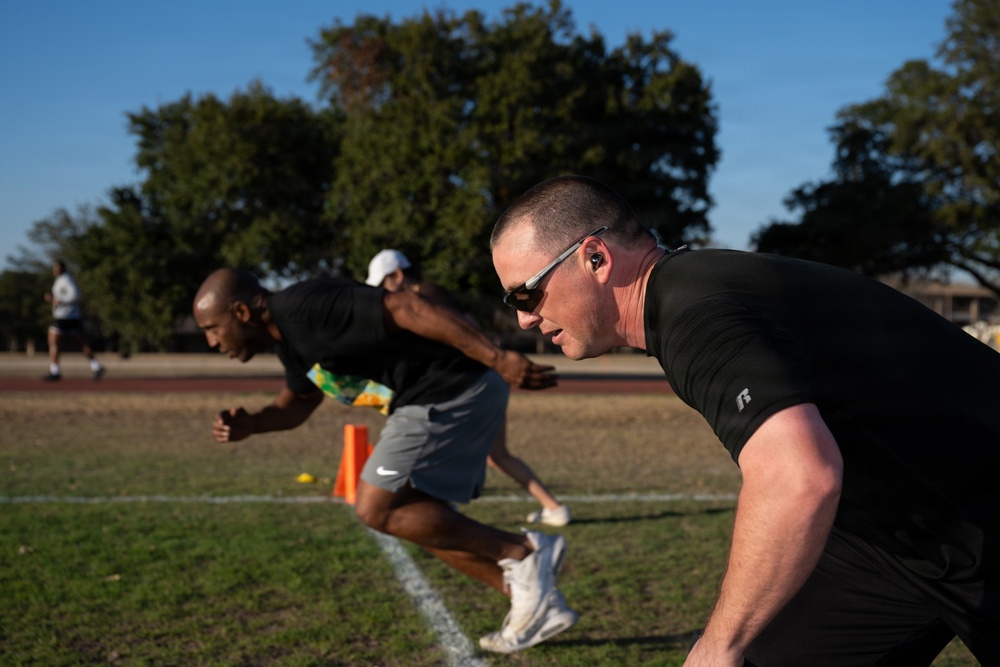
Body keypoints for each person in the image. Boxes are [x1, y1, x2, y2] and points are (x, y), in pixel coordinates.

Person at [490, 175, 1000, 666]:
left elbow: (798, 478)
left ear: (595, 258)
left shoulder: (698, 318)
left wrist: (720, 645)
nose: (523, 319)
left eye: (525, 294)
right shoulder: (692, 294)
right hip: (894, 536)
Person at [192, 268, 578, 653]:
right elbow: (296, 405)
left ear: (241, 312)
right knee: (421, 520)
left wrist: (495, 357)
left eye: (212, 328)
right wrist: (252, 424)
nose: (211, 341)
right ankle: (532, 599)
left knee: (374, 509)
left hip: (445, 391)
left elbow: (407, 306)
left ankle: (523, 552)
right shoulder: (289, 340)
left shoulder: (303, 307)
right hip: (440, 397)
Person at [366, 248, 572, 527]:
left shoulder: (420, 297)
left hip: (471, 383)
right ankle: (554, 508)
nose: (383, 294)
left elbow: (463, 333)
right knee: (497, 455)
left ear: (398, 275)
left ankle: (440, 511)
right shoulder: (431, 293)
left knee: (445, 449)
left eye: (383, 285)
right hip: (482, 378)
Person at [43, 260, 105, 381]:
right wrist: (54, 298)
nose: (55, 270)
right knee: (80, 343)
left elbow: (75, 294)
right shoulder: (61, 279)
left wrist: (60, 300)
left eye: (58, 268)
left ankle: (55, 371)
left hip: (64, 316)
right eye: (54, 268)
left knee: (53, 342)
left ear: (62, 268)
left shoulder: (66, 279)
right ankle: (96, 366)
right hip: (70, 316)